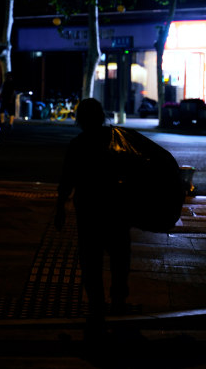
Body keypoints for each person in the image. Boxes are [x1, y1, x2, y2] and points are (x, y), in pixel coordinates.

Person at [55, 98, 131, 342]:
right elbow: (130, 172)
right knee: (120, 255)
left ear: (80, 119)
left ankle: (97, 304)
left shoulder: (78, 144)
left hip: (88, 209)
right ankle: (118, 297)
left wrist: (60, 207)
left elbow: (68, 179)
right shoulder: (115, 141)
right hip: (116, 207)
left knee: (90, 259)